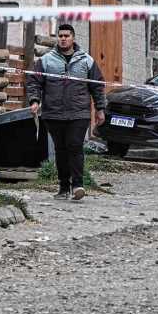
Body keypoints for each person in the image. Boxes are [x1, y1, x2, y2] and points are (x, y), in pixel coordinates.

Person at [26, 24, 106, 201]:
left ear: (73, 38)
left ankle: (78, 185)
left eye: (66, 36)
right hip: (53, 113)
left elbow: (97, 86)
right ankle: (63, 187)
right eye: (60, 36)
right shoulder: (46, 60)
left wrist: (100, 109)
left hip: (79, 113)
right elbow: (34, 82)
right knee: (61, 150)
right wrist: (34, 101)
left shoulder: (86, 60)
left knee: (75, 145)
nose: (63, 39)